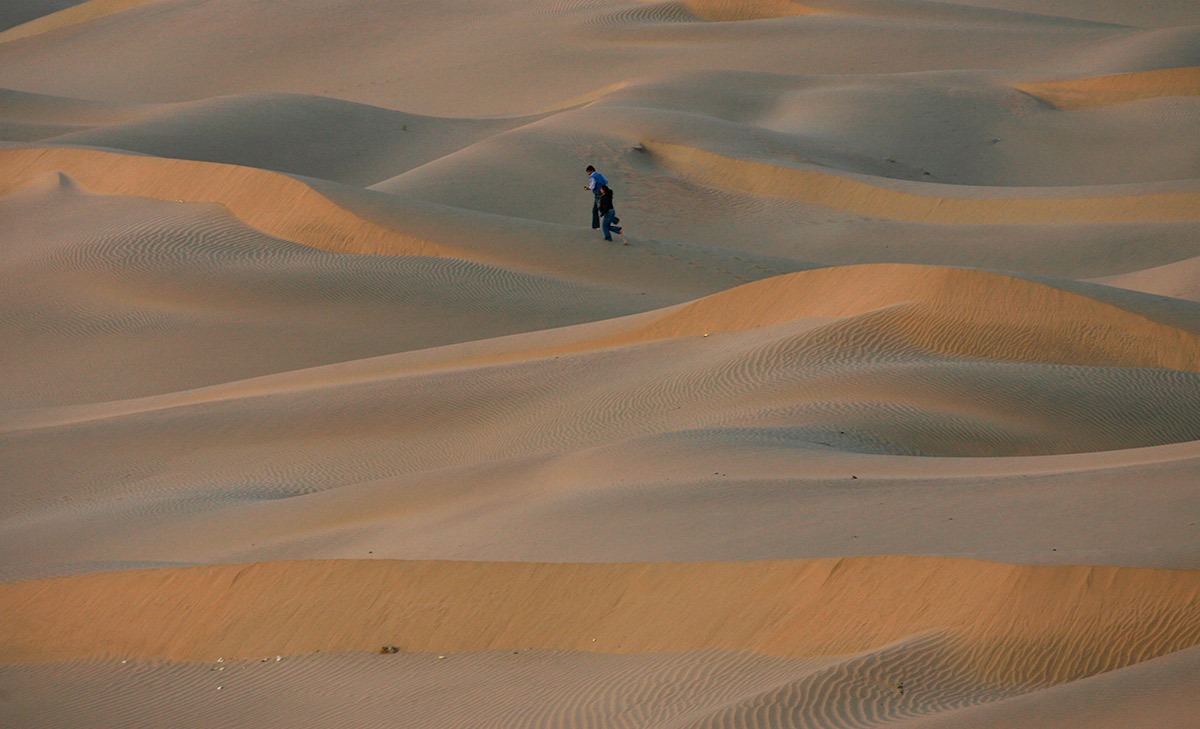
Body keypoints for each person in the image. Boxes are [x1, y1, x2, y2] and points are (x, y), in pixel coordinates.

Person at [584, 165, 607, 229]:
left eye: (588, 172)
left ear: (591, 171)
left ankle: (614, 220)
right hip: (603, 192)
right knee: (596, 209)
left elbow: (592, 187)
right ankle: (595, 226)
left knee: (599, 209)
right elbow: (606, 181)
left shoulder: (592, 177)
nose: (588, 173)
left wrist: (586, 188)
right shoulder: (599, 175)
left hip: (598, 194)